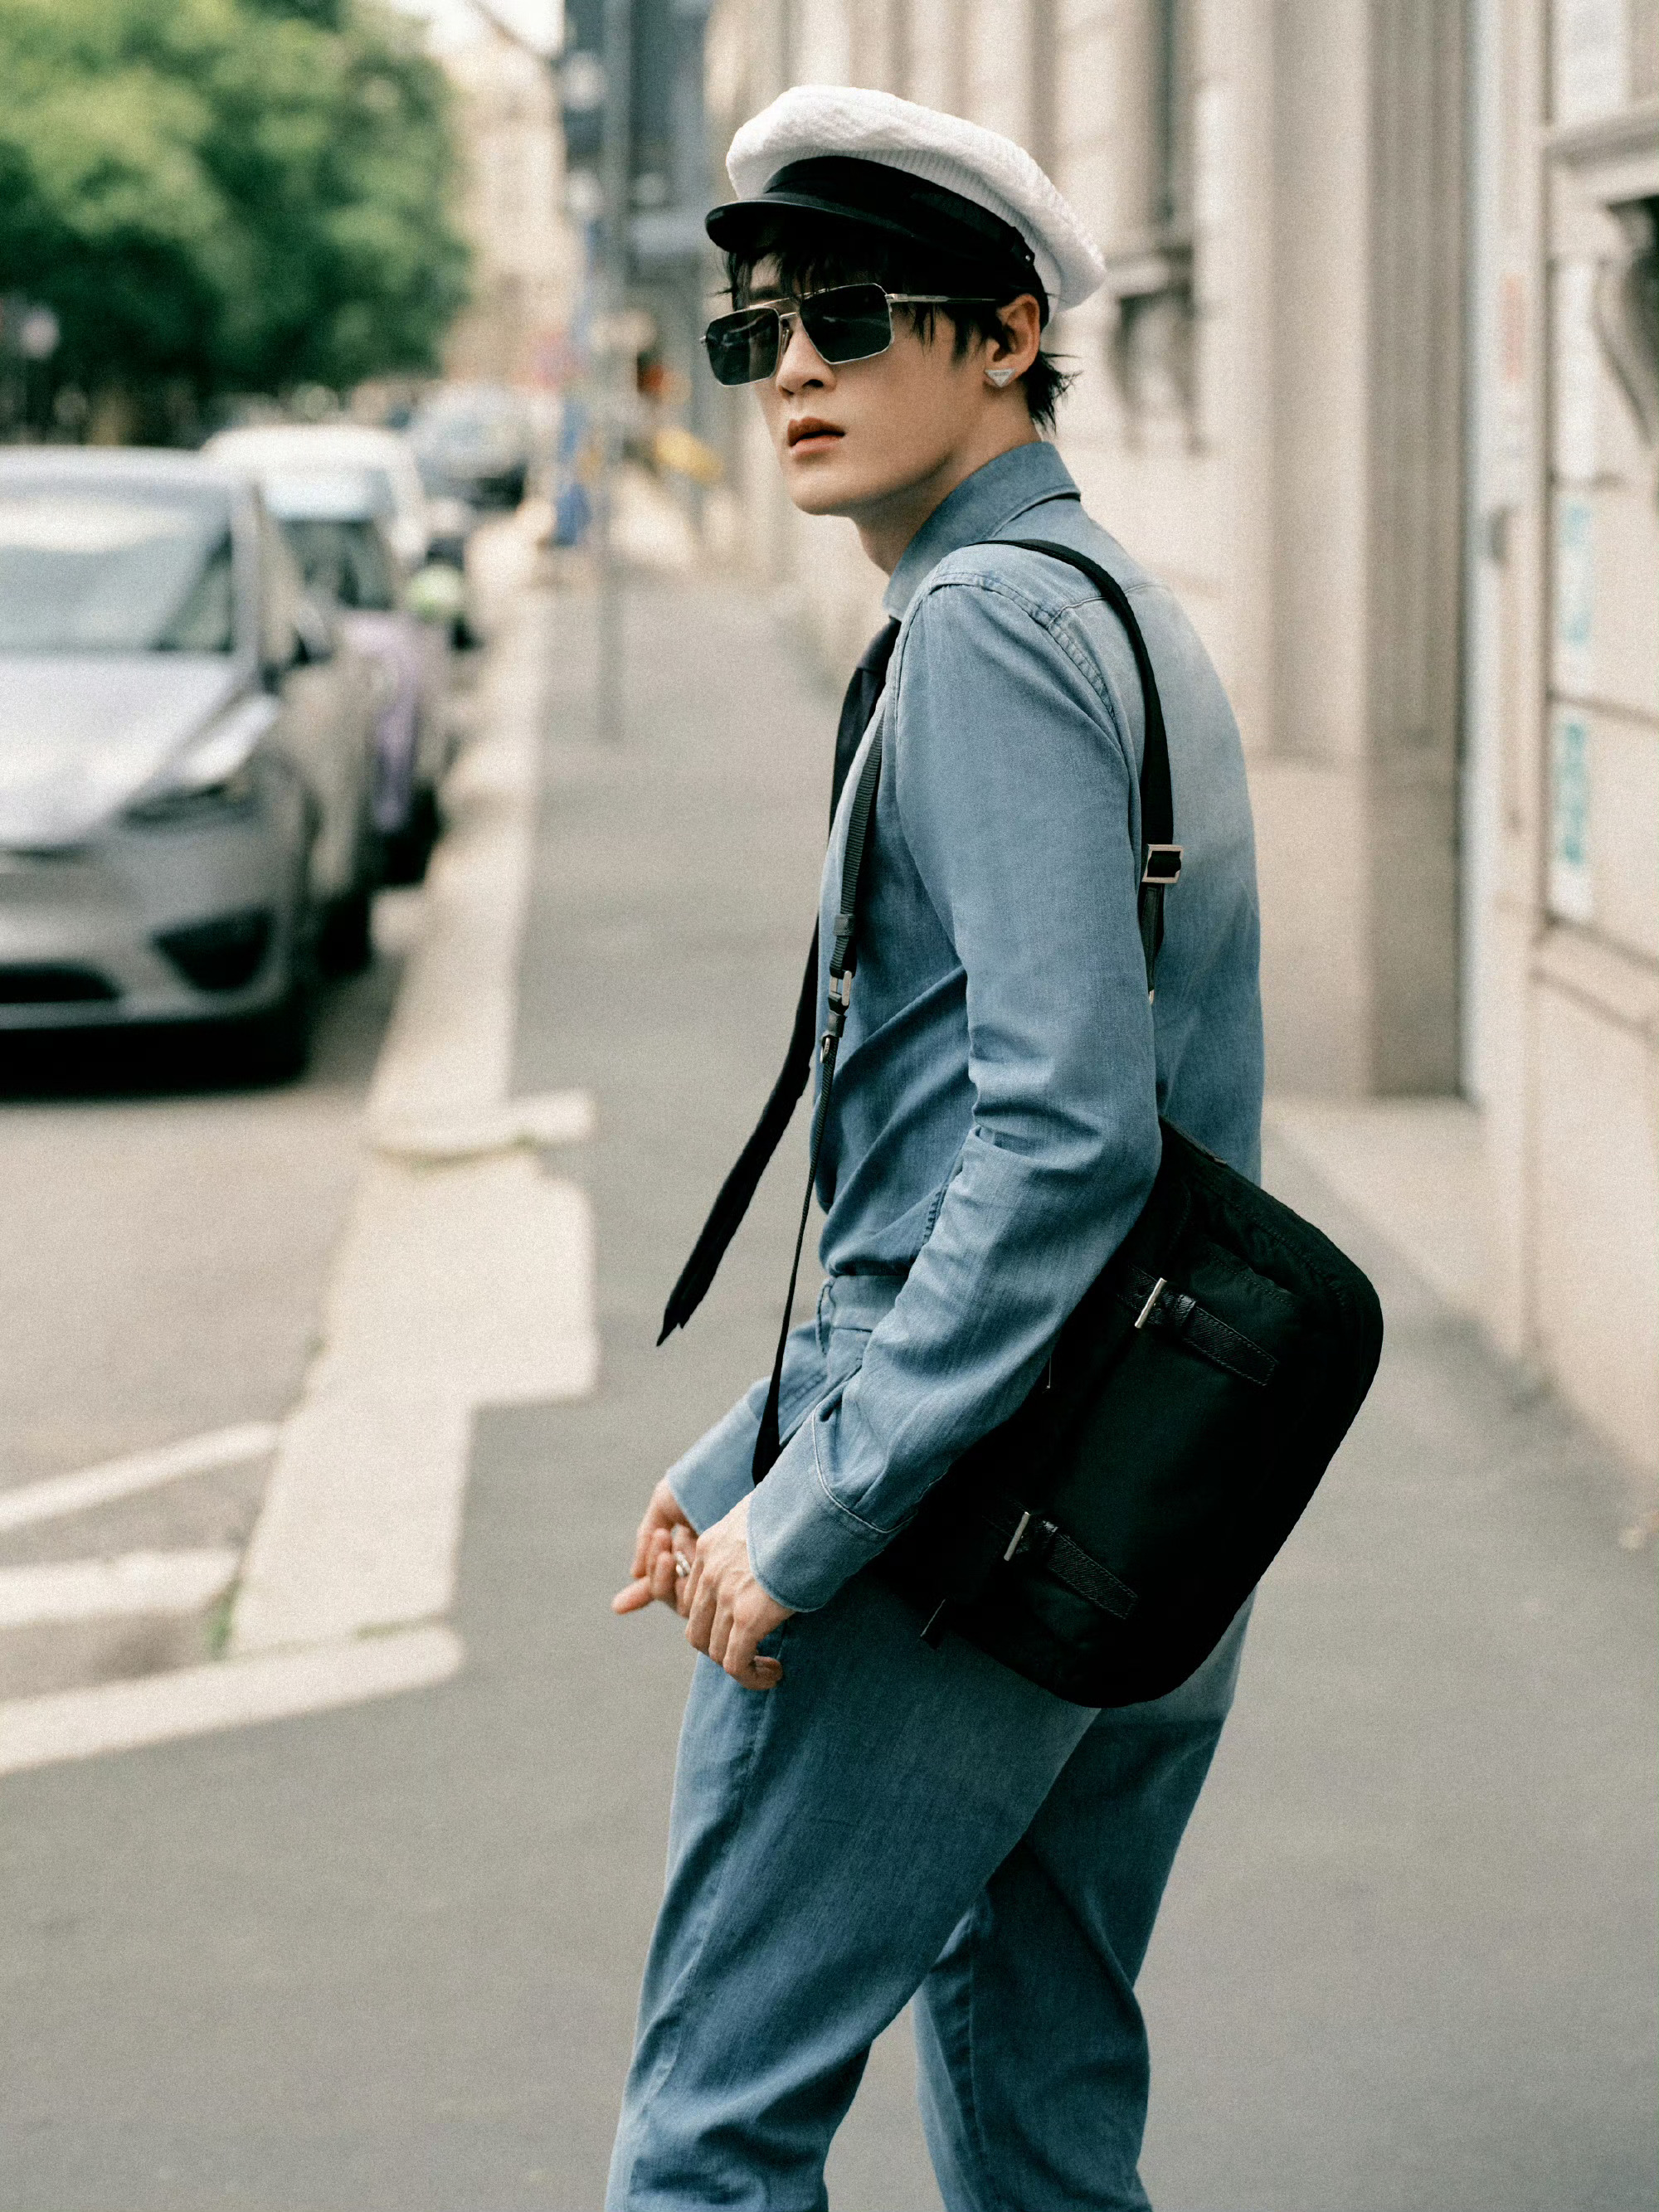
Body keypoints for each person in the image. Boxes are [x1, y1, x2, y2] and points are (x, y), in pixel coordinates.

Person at [608, 85, 1263, 2212]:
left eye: (849, 315)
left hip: (955, 1519)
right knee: (1041, 2099)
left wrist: (812, 1504)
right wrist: (748, 1440)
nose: (788, 368)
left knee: (711, 2129)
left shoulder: (981, 627)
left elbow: (1054, 1142)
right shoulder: (1120, 608)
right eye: (759, 329)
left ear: (1003, 334)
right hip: (1142, 1495)